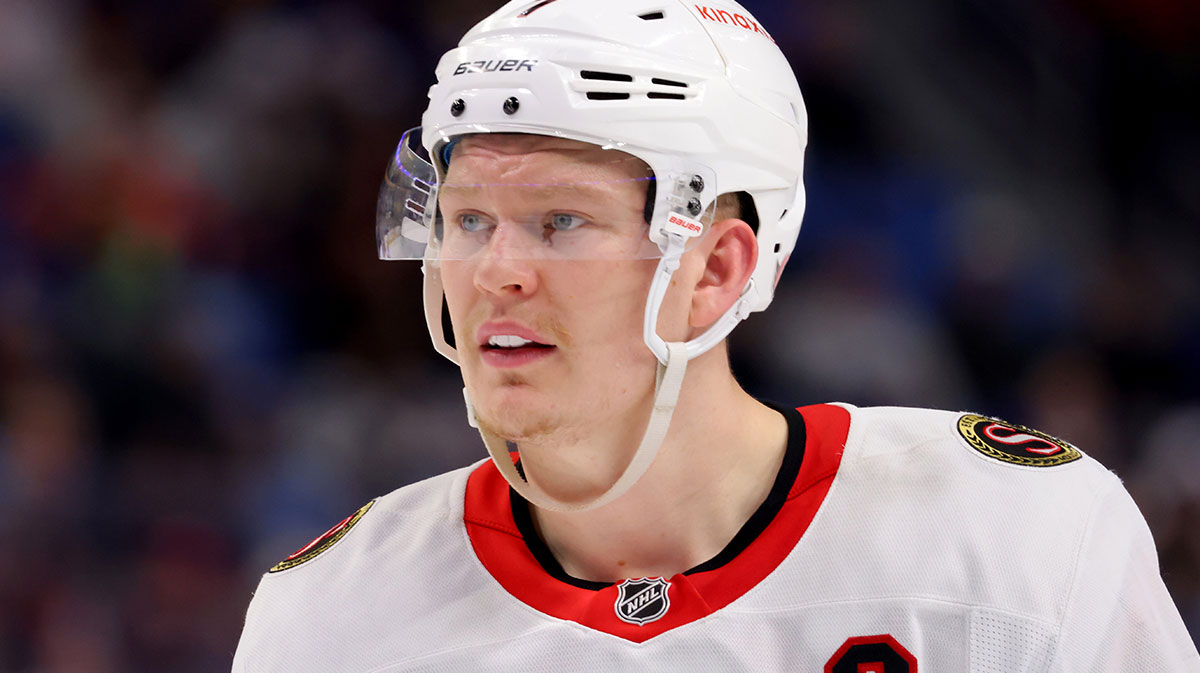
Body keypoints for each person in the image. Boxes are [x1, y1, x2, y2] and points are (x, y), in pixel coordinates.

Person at [233, 1, 1200, 670]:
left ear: (718, 269)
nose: (493, 272)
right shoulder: (326, 617)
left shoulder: (1018, 540)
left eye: (559, 221)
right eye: (468, 219)